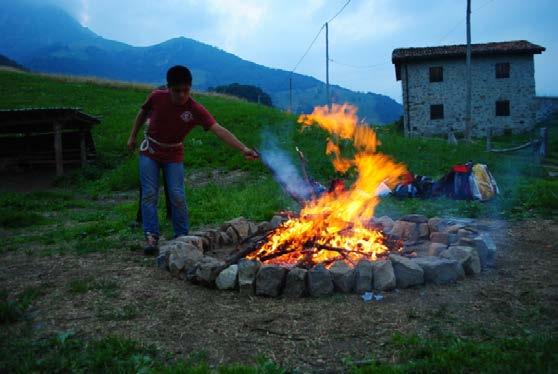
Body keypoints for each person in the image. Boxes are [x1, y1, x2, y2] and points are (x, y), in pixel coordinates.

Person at [127, 65, 258, 255]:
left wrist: (243, 148)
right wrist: (132, 137)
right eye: (177, 91)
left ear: (190, 88)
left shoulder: (195, 109)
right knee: (149, 193)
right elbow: (142, 113)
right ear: (168, 88)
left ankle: (182, 237)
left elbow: (218, 129)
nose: (182, 95)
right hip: (151, 151)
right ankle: (151, 236)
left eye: (186, 90)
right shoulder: (157, 97)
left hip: (173, 153)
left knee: (177, 194)